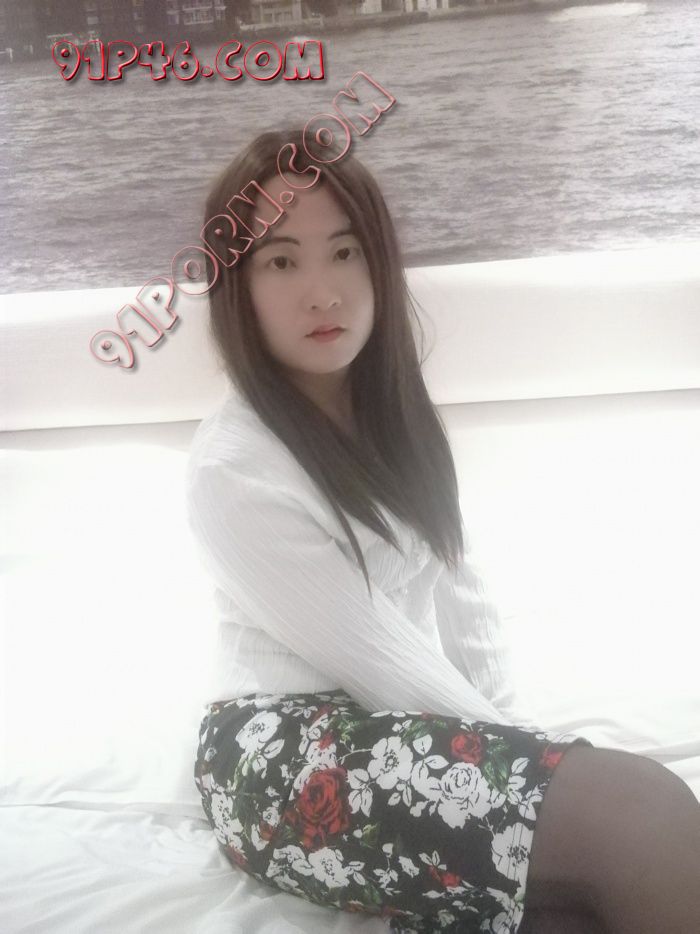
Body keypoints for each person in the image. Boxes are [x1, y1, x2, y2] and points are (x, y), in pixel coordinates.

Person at [185, 127, 700, 934]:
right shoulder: (233, 467)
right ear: (237, 288)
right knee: (642, 810)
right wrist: (535, 766)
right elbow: (378, 655)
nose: (322, 292)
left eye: (346, 253)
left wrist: (523, 749)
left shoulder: (394, 414)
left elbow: (463, 598)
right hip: (278, 760)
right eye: (281, 263)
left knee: (577, 910)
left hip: (396, 734)